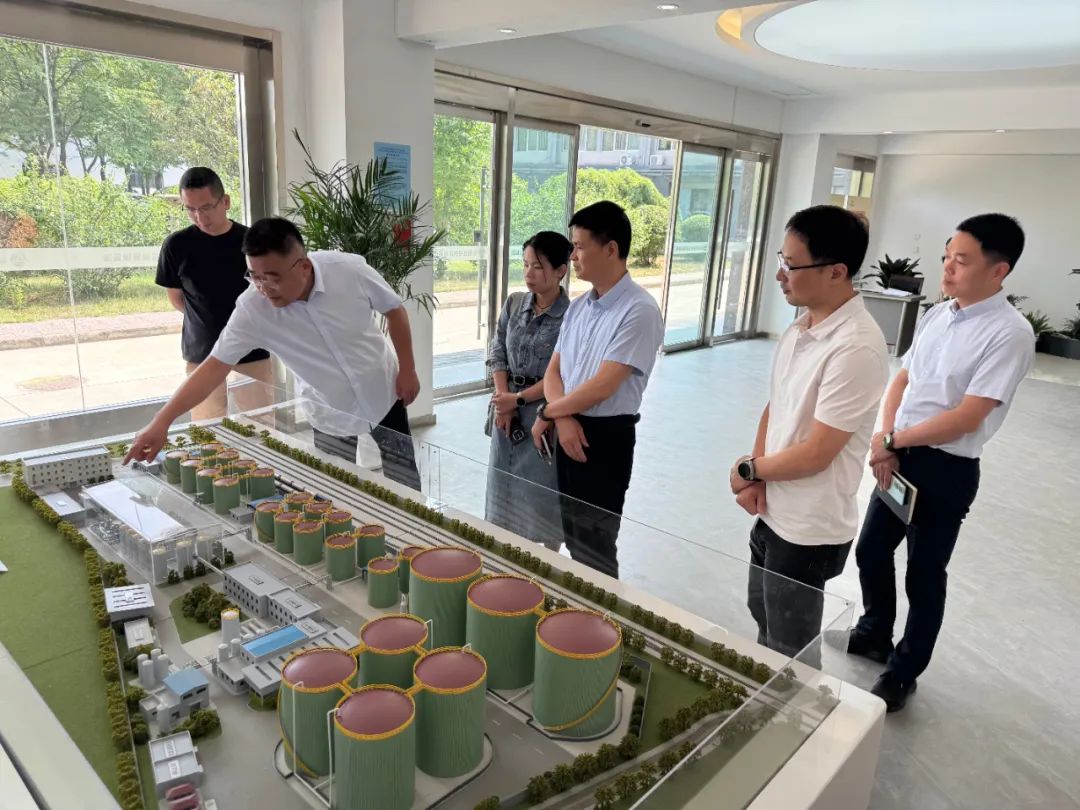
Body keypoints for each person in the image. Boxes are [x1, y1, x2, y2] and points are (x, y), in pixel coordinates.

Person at [834, 213, 1034, 712]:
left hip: (946, 470)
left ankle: (903, 672)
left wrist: (892, 438)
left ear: (999, 270)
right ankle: (874, 632)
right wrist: (887, 440)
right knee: (871, 551)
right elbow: (903, 380)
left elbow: (967, 417)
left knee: (923, 576)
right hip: (899, 455)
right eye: (946, 256)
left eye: (961, 260)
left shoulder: (1010, 333)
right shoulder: (938, 316)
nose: (947, 268)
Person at [127, 217, 423, 490]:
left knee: (406, 481)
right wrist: (162, 421)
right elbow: (214, 366)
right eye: (254, 276)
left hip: (382, 392)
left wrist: (408, 369)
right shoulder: (252, 310)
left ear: (303, 266)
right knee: (335, 490)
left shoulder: (348, 270)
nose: (263, 287)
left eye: (273, 277)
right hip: (328, 408)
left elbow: (394, 309)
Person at [729, 205, 888, 669]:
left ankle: (796, 709)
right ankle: (767, 697)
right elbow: (776, 405)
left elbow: (819, 452)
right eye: (782, 260)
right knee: (763, 616)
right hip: (774, 509)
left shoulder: (856, 346)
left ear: (836, 271)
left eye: (791, 265)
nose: (781, 275)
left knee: (791, 650)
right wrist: (757, 475)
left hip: (808, 528)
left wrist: (749, 469)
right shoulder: (802, 326)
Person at [531, 201, 664, 579]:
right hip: (569, 427)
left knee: (597, 545)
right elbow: (554, 371)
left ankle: (601, 611)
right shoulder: (579, 308)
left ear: (611, 249)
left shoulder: (639, 310)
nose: (572, 256)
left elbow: (603, 386)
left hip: (605, 438)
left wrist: (549, 412)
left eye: (579, 246)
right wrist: (563, 418)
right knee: (574, 536)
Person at [156, 167, 274, 419]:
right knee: (207, 428)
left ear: (226, 202)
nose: (200, 217)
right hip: (202, 351)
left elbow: (270, 292)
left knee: (261, 426)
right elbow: (176, 299)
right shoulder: (176, 245)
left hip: (251, 348)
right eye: (190, 209)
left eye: (207, 207)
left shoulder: (252, 242)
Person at [486, 232, 572, 549]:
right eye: (525, 265)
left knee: (541, 497)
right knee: (502, 490)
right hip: (505, 410)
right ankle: (505, 559)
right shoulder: (514, 303)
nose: (528, 273)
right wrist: (503, 400)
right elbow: (497, 350)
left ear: (561, 270)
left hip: (541, 413)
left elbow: (563, 374)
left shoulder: (570, 317)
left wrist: (517, 400)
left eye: (537, 267)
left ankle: (545, 565)